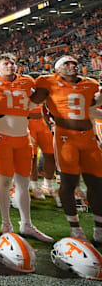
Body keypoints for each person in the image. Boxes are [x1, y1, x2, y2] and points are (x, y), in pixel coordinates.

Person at [0, 53, 52, 242]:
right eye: (5, 63)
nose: (10, 66)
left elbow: (39, 94)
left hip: (23, 135)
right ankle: (6, 224)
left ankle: (26, 224)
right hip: (1, 136)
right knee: (5, 181)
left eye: (12, 63)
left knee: (24, 183)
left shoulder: (26, 81)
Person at [31, 56, 102, 241]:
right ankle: (75, 227)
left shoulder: (90, 83)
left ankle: (99, 227)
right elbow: (33, 100)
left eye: (74, 63)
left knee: (97, 184)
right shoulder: (48, 82)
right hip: (65, 138)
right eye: (66, 64)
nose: (72, 66)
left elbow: (91, 104)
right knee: (69, 183)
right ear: (57, 69)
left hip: (89, 138)